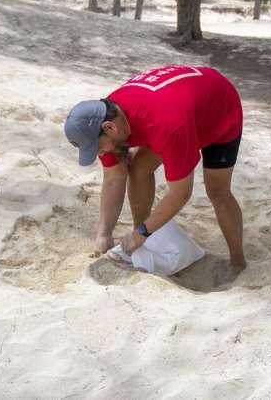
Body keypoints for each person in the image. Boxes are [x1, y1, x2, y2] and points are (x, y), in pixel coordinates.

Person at [63, 65, 246, 273]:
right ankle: (146, 239)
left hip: (219, 110)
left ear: (109, 128)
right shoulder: (109, 116)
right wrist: (104, 234)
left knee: (217, 191)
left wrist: (139, 234)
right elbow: (114, 179)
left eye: (98, 148)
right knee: (138, 167)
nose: (100, 154)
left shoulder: (166, 125)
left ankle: (238, 262)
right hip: (181, 107)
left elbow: (180, 194)